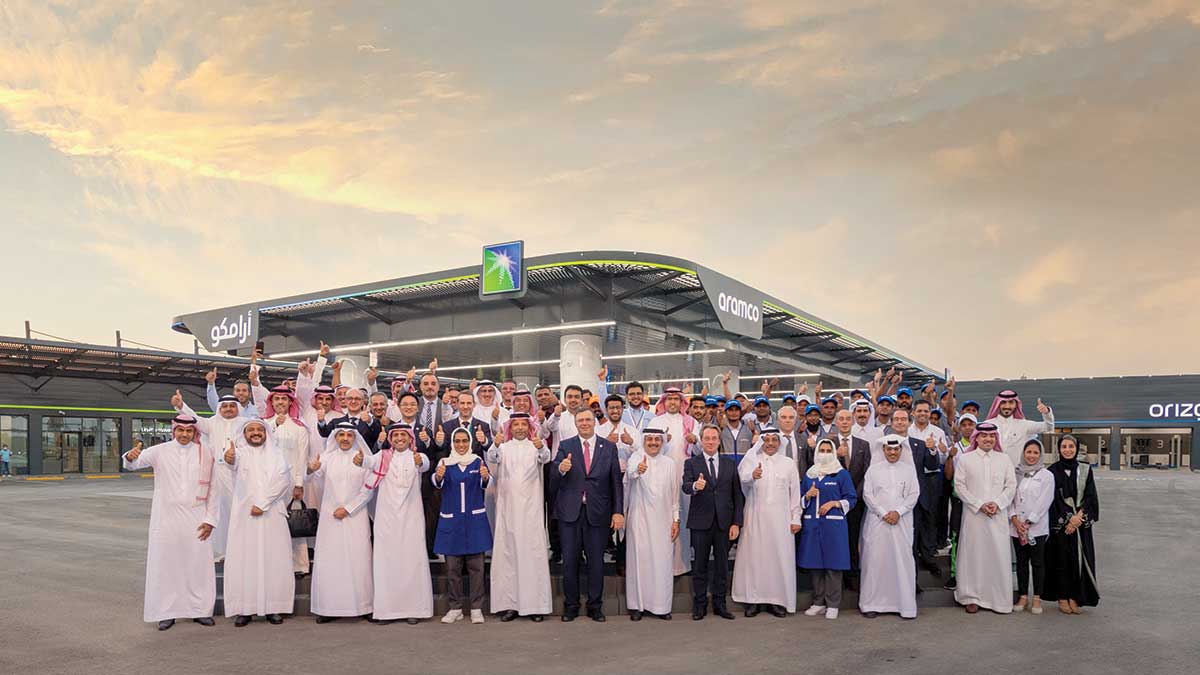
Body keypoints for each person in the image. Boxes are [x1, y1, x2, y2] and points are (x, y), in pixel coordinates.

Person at [121, 414, 218, 630]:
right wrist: (129, 455)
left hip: (197, 518)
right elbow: (133, 464)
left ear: (195, 432)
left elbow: (214, 489)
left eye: (189, 431)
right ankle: (167, 611)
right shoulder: (159, 451)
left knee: (197, 565)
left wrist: (211, 519)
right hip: (165, 518)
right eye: (180, 430)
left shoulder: (206, 453)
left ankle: (200, 610)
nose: (184, 434)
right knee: (167, 565)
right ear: (174, 431)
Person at [550, 408, 625, 622]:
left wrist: (618, 511)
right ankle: (571, 606)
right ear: (575, 423)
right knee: (570, 561)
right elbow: (554, 475)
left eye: (588, 420)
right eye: (580, 420)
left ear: (594, 423)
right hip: (570, 514)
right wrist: (561, 469)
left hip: (598, 514)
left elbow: (616, 483)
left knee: (596, 562)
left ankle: (595, 606)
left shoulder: (609, 447)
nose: (584, 423)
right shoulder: (566, 446)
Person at [218, 419, 294, 627]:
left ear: (266, 433)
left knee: (274, 560)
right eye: (251, 430)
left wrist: (262, 503)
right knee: (246, 560)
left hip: (271, 515)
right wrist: (229, 457)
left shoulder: (277, 455)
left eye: (259, 430)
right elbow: (229, 462)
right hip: (245, 516)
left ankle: (273, 607)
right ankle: (245, 609)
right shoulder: (239, 453)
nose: (255, 433)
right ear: (244, 434)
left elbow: (283, 481)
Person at [358, 423, 433, 625]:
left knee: (411, 560)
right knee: (387, 560)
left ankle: (413, 609)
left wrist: (420, 461)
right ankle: (386, 611)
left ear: (410, 438)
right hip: (387, 518)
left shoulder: (418, 456)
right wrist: (360, 460)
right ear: (391, 438)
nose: (400, 438)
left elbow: (425, 464)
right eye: (396, 435)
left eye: (403, 435)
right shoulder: (382, 457)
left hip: (411, 518)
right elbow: (367, 462)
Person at [487, 413, 552, 622]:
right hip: (508, 512)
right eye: (516, 425)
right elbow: (492, 457)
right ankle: (510, 605)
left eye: (524, 424)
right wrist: (495, 445)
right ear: (510, 428)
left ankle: (535, 606)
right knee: (509, 557)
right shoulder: (504, 447)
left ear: (529, 427)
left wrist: (541, 446)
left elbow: (546, 457)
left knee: (532, 556)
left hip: (531, 513)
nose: (520, 428)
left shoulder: (536, 446)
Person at [307, 422, 374, 623]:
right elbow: (310, 477)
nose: (345, 438)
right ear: (335, 437)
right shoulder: (327, 458)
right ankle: (328, 608)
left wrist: (349, 508)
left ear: (355, 438)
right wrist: (310, 470)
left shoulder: (363, 459)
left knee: (359, 560)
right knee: (331, 562)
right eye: (341, 435)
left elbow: (369, 488)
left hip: (356, 516)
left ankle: (364, 606)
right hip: (330, 518)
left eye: (349, 435)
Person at [732, 427, 802, 617]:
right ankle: (754, 601)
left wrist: (796, 518)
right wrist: (751, 476)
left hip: (781, 520)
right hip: (755, 516)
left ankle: (777, 601)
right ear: (761, 441)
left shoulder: (788, 463)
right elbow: (741, 480)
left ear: (780, 442)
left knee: (778, 558)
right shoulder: (752, 459)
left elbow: (795, 493)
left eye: (774, 440)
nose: (770, 443)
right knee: (755, 558)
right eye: (767, 440)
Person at [953, 421, 1017, 614]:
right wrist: (979, 504)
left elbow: (1011, 485)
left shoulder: (1004, 459)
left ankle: (998, 599)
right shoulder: (965, 459)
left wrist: (997, 503)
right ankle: (971, 596)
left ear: (995, 438)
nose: (988, 439)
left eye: (991, 436)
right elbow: (959, 486)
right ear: (977, 438)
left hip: (997, 515)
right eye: (984, 436)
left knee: (997, 555)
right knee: (973, 555)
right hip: (974, 516)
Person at [682, 424, 744, 621]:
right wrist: (695, 486)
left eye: (713, 438)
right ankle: (699, 605)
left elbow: (737, 495)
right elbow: (685, 486)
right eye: (706, 438)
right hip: (700, 522)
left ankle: (720, 605)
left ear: (719, 441)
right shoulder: (692, 463)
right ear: (701, 440)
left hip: (724, 523)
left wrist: (737, 523)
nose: (710, 442)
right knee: (699, 566)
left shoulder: (730, 464)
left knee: (722, 567)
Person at [433, 427, 493, 624]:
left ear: (469, 443)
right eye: (457, 441)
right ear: (452, 443)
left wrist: (485, 477)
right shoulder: (445, 463)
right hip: (452, 521)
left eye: (464, 441)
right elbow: (436, 481)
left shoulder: (477, 461)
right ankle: (455, 607)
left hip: (474, 521)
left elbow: (487, 482)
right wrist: (439, 476)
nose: (460, 445)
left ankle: (476, 607)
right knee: (453, 569)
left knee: (477, 568)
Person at [859, 434, 920, 619]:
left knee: (902, 562)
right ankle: (872, 604)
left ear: (901, 450)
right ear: (883, 450)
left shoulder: (909, 470)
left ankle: (904, 605)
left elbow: (914, 494)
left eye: (896, 449)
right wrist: (883, 512)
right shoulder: (873, 470)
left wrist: (898, 512)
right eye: (889, 449)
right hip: (878, 522)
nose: (892, 452)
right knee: (875, 561)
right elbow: (867, 495)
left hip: (902, 522)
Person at [255, 384, 312, 576]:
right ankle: (273, 564)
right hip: (266, 483)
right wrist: (274, 425)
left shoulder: (300, 427)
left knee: (295, 524)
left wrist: (299, 483)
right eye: (276, 399)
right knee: (269, 523)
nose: (280, 402)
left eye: (284, 399)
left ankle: (300, 565)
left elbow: (302, 457)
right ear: (271, 402)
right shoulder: (262, 425)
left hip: (290, 485)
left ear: (290, 402)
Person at [623, 428, 679, 621]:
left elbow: (674, 495)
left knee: (662, 562)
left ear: (662, 441)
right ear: (644, 440)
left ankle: (661, 607)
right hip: (639, 520)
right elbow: (630, 473)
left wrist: (675, 520)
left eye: (657, 439)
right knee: (639, 561)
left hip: (664, 521)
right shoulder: (636, 457)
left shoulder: (669, 463)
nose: (653, 442)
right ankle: (637, 606)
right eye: (650, 439)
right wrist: (638, 470)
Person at [799, 438, 857, 620]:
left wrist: (834, 503)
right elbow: (799, 500)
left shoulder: (841, 474)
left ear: (833, 453)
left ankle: (833, 604)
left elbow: (852, 498)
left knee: (833, 565)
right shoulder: (810, 475)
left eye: (827, 450)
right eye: (821, 450)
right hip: (812, 524)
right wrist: (807, 496)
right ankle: (818, 602)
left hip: (833, 525)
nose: (824, 453)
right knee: (815, 564)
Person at [1043, 434, 1100, 614]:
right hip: (1060, 526)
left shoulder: (1084, 469)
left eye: (1071, 446)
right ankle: (1062, 596)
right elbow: (1051, 500)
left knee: (1079, 562)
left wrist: (1079, 516)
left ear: (1076, 449)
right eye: (1064, 447)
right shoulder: (1051, 471)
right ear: (1059, 449)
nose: (1067, 450)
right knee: (1061, 561)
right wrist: (1068, 517)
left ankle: (1076, 596)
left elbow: (1091, 495)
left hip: (1080, 524)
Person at [650, 386, 699, 575]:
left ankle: (682, 563)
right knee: (663, 517)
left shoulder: (691, 422)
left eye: (676, 399)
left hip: (684, 477)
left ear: (681, 402)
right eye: (669, 399)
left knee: (684, 518)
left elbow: (700, 451)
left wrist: (695, 441)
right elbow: (649, 449)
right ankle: (661, 562)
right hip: (660, 478)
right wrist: (663, 442)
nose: (672, 402)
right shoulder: (656, 421)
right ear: (663, 401)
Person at [1011, 439, 1054, 615]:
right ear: (1023, 453)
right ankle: (1023, 596)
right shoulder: (1017, 473)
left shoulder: (1046, 475)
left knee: (1037, 563)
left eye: (1036, 452)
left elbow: (1045, 501)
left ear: (1041, 454)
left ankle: (1037, 597)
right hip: (1016, 528)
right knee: (1021, 563)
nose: (1031, 456)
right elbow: (1010, 498)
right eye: (1029, 452)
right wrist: (1014, 519)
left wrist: (1029, 522)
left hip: (1037, 529)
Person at [941, 413, 977, 591]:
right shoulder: (955, 448)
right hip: (959, 500)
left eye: (971, 424)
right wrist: (949, 457)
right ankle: (956, 574)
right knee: (956, 537)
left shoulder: (982, 446)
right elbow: (948, 476)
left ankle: (976, 573)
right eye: (965, 425)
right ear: (960, 428)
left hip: (978, 501)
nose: (968, 428)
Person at [985, 390, 1054, 468]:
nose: (1007, 406)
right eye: (1003, 402)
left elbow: (1048, 427)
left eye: (1011, 402)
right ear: (998, 404)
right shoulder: (987, 425)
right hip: (992, 473)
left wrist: (1046, 413)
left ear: (1016, 405)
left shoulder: (1024, 425)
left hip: (1017, 475)